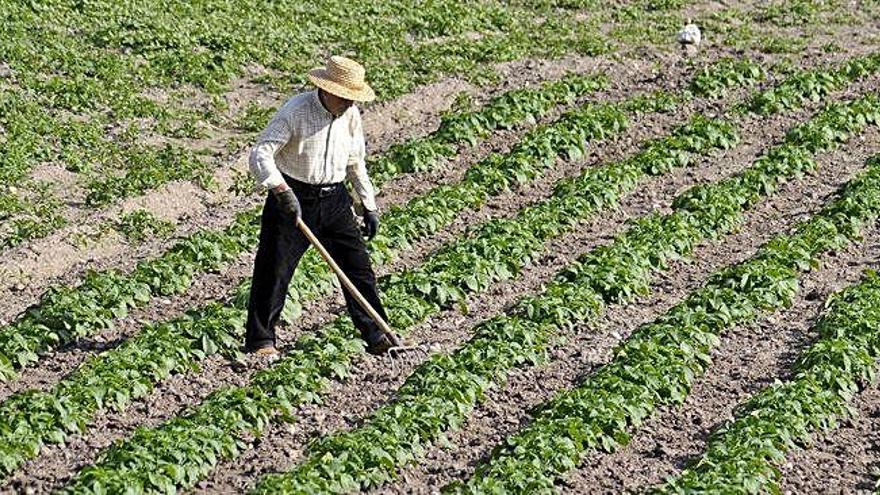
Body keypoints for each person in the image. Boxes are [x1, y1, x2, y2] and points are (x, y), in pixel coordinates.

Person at [245, 55, 403, 358]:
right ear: (327, 90)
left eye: (352, 98)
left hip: (335, 199)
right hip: (293, 198)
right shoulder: (296, 111)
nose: (349, 103)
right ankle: (261, 342)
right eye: (345, 97)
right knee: (274, 269)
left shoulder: (351, 115)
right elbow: (260, 154)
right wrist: (281, 191)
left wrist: (367, 204)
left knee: (358, 270)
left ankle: (377, 334)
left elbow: (355, 161)